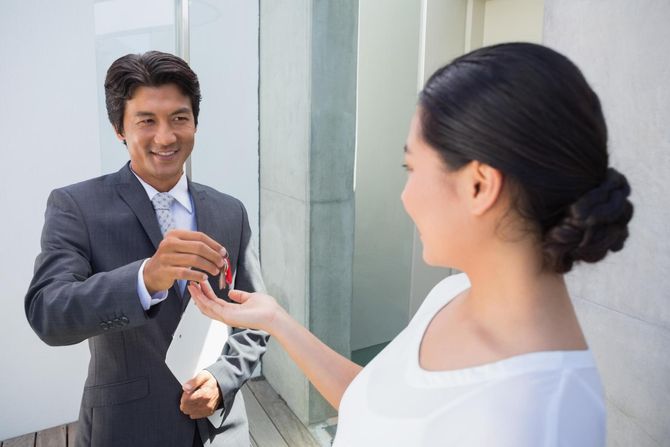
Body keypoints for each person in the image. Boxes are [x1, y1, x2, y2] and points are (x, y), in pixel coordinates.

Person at [188, 42, 634, 446]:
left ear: (479, 185)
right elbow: (370, 406)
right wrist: (275, 318)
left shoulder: (543, 420)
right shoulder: (452, 293)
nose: (406, 196)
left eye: (412, 169)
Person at [25, 51, 267, 447]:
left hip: (223, 430)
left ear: (195, 122)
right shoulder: (77, 207)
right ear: (120, 128)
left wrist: (223, 380)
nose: (166, 136)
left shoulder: (230, 211)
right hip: (128, 428)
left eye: (179, 118)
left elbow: (253, 319)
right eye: (146, 121)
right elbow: (48, 312)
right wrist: (144, 279)